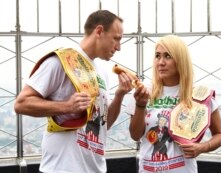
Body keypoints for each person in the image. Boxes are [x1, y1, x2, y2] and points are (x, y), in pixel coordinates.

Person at [14, 10, 134, 173]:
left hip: (95, 168)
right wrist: (66, 106)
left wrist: (120, 94)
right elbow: (21, 103)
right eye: (116, 38)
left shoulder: (102, 73)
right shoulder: (61, 60)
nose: (119, 47)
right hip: (62, 168)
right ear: (99, 31)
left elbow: (103, 126)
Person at [126, 35, 221, 173]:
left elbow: (220, 135)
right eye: (157, 56)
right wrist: (140, 105)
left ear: (180, 60)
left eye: (168, 56)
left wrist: (202, 147)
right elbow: (135, 135)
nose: (161, 62)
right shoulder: (143, 92)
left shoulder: (198, 95)